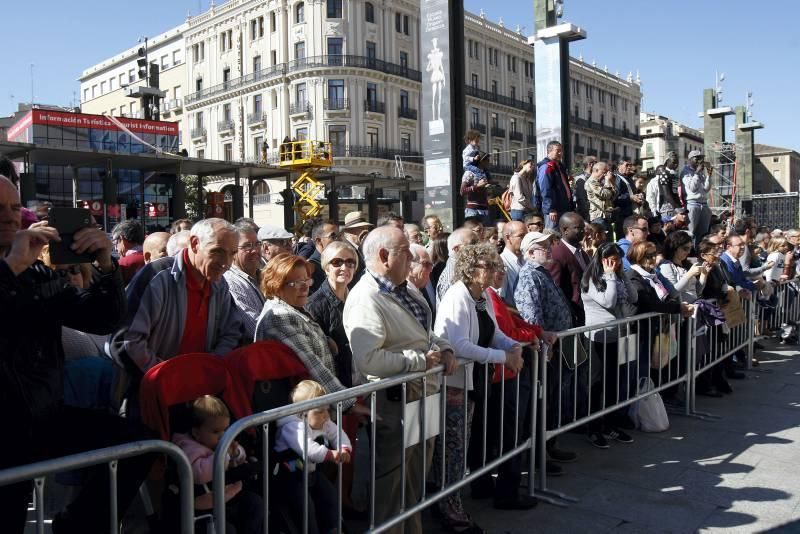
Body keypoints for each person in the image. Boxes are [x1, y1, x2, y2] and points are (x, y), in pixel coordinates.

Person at [0, 175, 155, 534]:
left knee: (139, 444)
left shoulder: (35, 271)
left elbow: (101, 320)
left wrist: (105, 265)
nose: (8, 216)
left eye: (12, 207)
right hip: (4, 435)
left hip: (43, 417)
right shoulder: (19, 267)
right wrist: (9, 271)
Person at [343, 226, 456, 534]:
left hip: (422, 395)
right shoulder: (365, 298)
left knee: (415, 479)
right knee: (392, 484)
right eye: (405, 251)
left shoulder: (405, 290)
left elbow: (423, 334)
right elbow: (369, 360)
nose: (413, 256)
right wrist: (419, 361)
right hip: (397, 401)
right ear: (383, 256)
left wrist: (443, 346)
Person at [433, 243, 526, 526]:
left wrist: (514, 346)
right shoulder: (457, 296)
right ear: (470, 269)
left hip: (476, 381)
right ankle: (449, 508)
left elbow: (494, 333)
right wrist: (503, 357)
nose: (494, 271)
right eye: (487, 266)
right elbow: (460, 345)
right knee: (452, 451)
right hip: (455, 385)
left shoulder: (482, 294)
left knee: (464, 446)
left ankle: (457, 501)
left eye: (495, 265)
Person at [123, 218, 243, 372]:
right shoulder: (156, 277)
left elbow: (232, 333)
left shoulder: (219, 285)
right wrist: (167, 376)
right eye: (217, 251)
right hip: (152, 388)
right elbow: (127, 341)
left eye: (232, 254)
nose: (226, 263)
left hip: (202, 386)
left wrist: (210, 368)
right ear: (194, 244)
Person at [254, 253, 355, 409]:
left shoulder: (295, 309)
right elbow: (312, 364)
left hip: (315, 408)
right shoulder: (280, 317)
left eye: (306, 280)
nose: (305, 287)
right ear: (276, 284)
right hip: (304, 414)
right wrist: (347, 403)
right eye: (295, 283)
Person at [172, 395, 263, 534]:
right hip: (206, 503)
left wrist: (236, 453)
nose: (222, 436)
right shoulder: (189, 447)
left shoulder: (223, 442)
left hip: (230, 494)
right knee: (227, 529)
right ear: (197, 433)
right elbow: (199, 474)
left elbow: (239, 460)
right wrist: (223, 455)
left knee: (256, 504)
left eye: (225, 430)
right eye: (215, 432)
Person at [580, 243, 638, 448]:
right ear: (601, 260)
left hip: (619, 336)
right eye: (611, 259)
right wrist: (611, 276)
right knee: (596, 385)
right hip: (598, 337)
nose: (615, 263)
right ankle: (593, 428)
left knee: (614, 382)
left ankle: (610, 424)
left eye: (618, 259)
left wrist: (622, 275)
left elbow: (633, 297)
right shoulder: (590, 279)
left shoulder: (618, 275)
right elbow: (609, 301)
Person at [275, 380, 352, 534]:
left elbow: (337, 433)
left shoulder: (322, 420)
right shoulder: (293, 427)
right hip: (290, 475)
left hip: (310, 472)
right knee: (305, 507)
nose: (325, 416)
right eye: (319, 411)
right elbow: (309, 449)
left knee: (330, 495)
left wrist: (344, 448)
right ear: (301, 413)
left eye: (326, 409)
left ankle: (333, 528)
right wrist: (331, 454)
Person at [223, 221, 266, 341]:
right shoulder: (231, 282)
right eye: (247, 246)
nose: (255, 250)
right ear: (233, 250)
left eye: (257, 244)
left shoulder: (264, 275)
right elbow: (255, 329)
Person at [549, 212, 590, 326]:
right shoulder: (557, 254)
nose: (583, 231)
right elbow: (556, 289)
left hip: (586, 310)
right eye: (578, 228)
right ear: (565, 230)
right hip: (573, 314)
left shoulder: (582, 252)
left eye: (583, 228)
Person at [436, 227, 478, 304]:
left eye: (478, 242)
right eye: (473, 244)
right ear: (456, 249)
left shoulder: (465, 269)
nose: (479, 247)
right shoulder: (452, 278)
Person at [536, 141, 573, 229]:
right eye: (558, 151)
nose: (560, 153)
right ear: (549, 151)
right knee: (553, 234)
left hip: (564, 207)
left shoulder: (560, 166)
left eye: (561, 151)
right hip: (554, 209)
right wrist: (550, 209)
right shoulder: (547, 166)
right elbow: (545, 188)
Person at [681, 150, 712, 245]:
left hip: (703, 203)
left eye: (701, 158)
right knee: (691, 232)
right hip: (693, 204)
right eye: (697, 158)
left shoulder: (700, 171)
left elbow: (706, 189)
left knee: (703, 233)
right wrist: (697, 173)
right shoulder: (685, 171)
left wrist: (709, 176)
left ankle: (700, 251)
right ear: (690, 159)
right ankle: (691, 252)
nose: (700, 160)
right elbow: (692, 188)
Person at [612, 157, 642, 240]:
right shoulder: (616, 178)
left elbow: (633, 194)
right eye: (627, 165)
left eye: (630, 165)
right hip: (622, 215)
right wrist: (630, 198)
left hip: (630, 214)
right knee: (623, 238)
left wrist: (638, 197)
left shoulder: (629, 179)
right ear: (619, 166)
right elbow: (615, 198)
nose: (629, 167)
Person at [308, 219, 340, 294]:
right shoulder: (311, 268)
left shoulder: (336, 262)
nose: (338, 240)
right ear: (319, 241)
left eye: (339, 236)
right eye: (333, 236)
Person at [499, 220, 527, 306]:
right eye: (521, 236)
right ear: (508, 238)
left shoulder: (526, 259)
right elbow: (500, 301)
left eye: (526, 235)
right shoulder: (501, 263)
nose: (525, 239)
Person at [460, 152, 493, 223]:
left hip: (484, 210)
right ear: (481, 161)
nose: (489, 162)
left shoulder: (485, 173)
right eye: (487, 160)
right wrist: (477, 186)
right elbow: (462, 191)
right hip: (473, 210)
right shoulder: (469, 173)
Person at [407, 243, 437, 319]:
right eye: (426, 264)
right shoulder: (402, 297)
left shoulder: (415, 291)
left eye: (431, 264)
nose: (431, 269)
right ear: (409, 265)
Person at [585, 160, 618, 229]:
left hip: (607, 216)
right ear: (596, 170)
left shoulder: (601, 182)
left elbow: (614, 195)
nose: (605, 175)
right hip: (598, 216)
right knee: (601, 238)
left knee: (609, 239)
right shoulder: (591, 182)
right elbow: (605, 194)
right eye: (604, 172)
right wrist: (607, 181)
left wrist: (611, 183)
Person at [112, 219, 146, 285]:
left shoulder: (122, 264)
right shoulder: (152, 257)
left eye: (115, 243)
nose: (116, 249)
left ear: (121, 239)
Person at [573, 156, 597, 222]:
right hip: (586, 215)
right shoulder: (580, 178)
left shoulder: (596, 178)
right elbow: (582, 199)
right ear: (591, 164)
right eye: (596, 163)